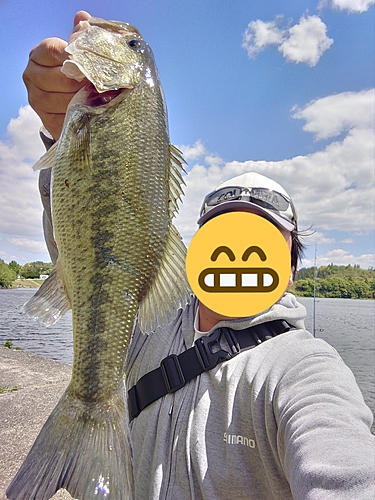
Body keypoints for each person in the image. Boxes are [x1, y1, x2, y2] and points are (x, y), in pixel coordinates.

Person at [22, 11, 375, 500]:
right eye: (223, 240)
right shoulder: (146, 327)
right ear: (193, 251)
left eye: (263, 247)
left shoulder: (303, 367)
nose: (238, 259)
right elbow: (87, 241)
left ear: (289, 270)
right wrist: (62, 138)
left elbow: (345, 469)